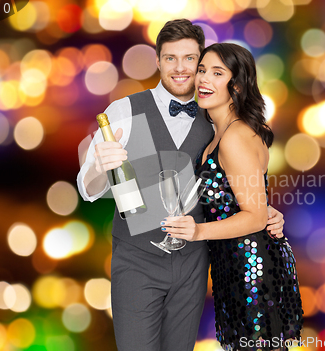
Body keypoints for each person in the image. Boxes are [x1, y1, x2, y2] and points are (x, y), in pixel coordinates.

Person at [77, 19, 285, 351]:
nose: (180, 68)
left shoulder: (215, 116)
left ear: (201, 64)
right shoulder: (124, 111)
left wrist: (261, 209)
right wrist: (100, 166)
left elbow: (227, 181)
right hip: (136, 262)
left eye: (190, 59)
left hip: (194, 265)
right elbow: (88, 190)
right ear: (157, 61)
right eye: (170, 58)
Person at [161, 43, 303, 351]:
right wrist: (267, 211)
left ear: (236, 85)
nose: (203, 80)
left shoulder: (235, 136)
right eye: (202, 71)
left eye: (216, 73)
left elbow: (253, 215)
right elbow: (246, 202)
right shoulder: (220, 135)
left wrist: (197, 231)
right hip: (232, 268)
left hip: (251, 271)